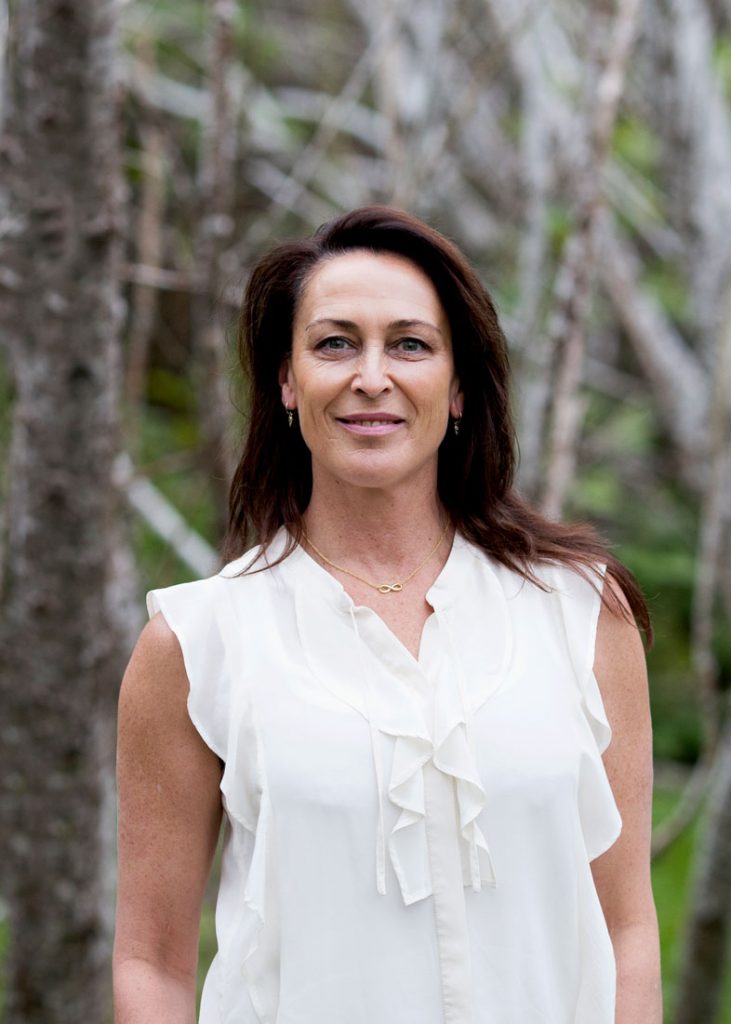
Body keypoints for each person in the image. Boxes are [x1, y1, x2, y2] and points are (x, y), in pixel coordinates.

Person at [113, 206, 662, 1023]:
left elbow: (626, 930)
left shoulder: (580, 613)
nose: (372, 375)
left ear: (460, 386)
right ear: (287, 382)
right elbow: (151, 963)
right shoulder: (199, 644)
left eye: (409, 344)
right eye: (335, 343)